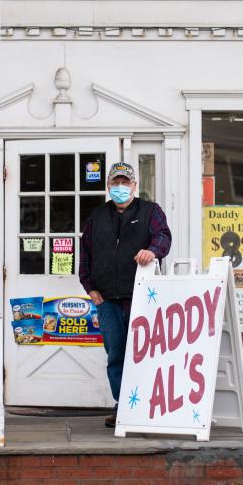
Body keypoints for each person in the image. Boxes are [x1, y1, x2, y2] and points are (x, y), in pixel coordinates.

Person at [79, 162, 172, 428]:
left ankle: (148, 405)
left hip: (141, 297)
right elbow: (85, 254)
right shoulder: (96, 217)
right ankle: (124, 407)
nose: (121, 187)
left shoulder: (151, 211)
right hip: (106, 299)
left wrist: (152, 251)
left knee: (144, 352)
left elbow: (164, 237)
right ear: (109, 186)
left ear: (134, 186)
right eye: (116, 183)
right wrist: (89, 288)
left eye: (126, 183)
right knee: (116, 354)